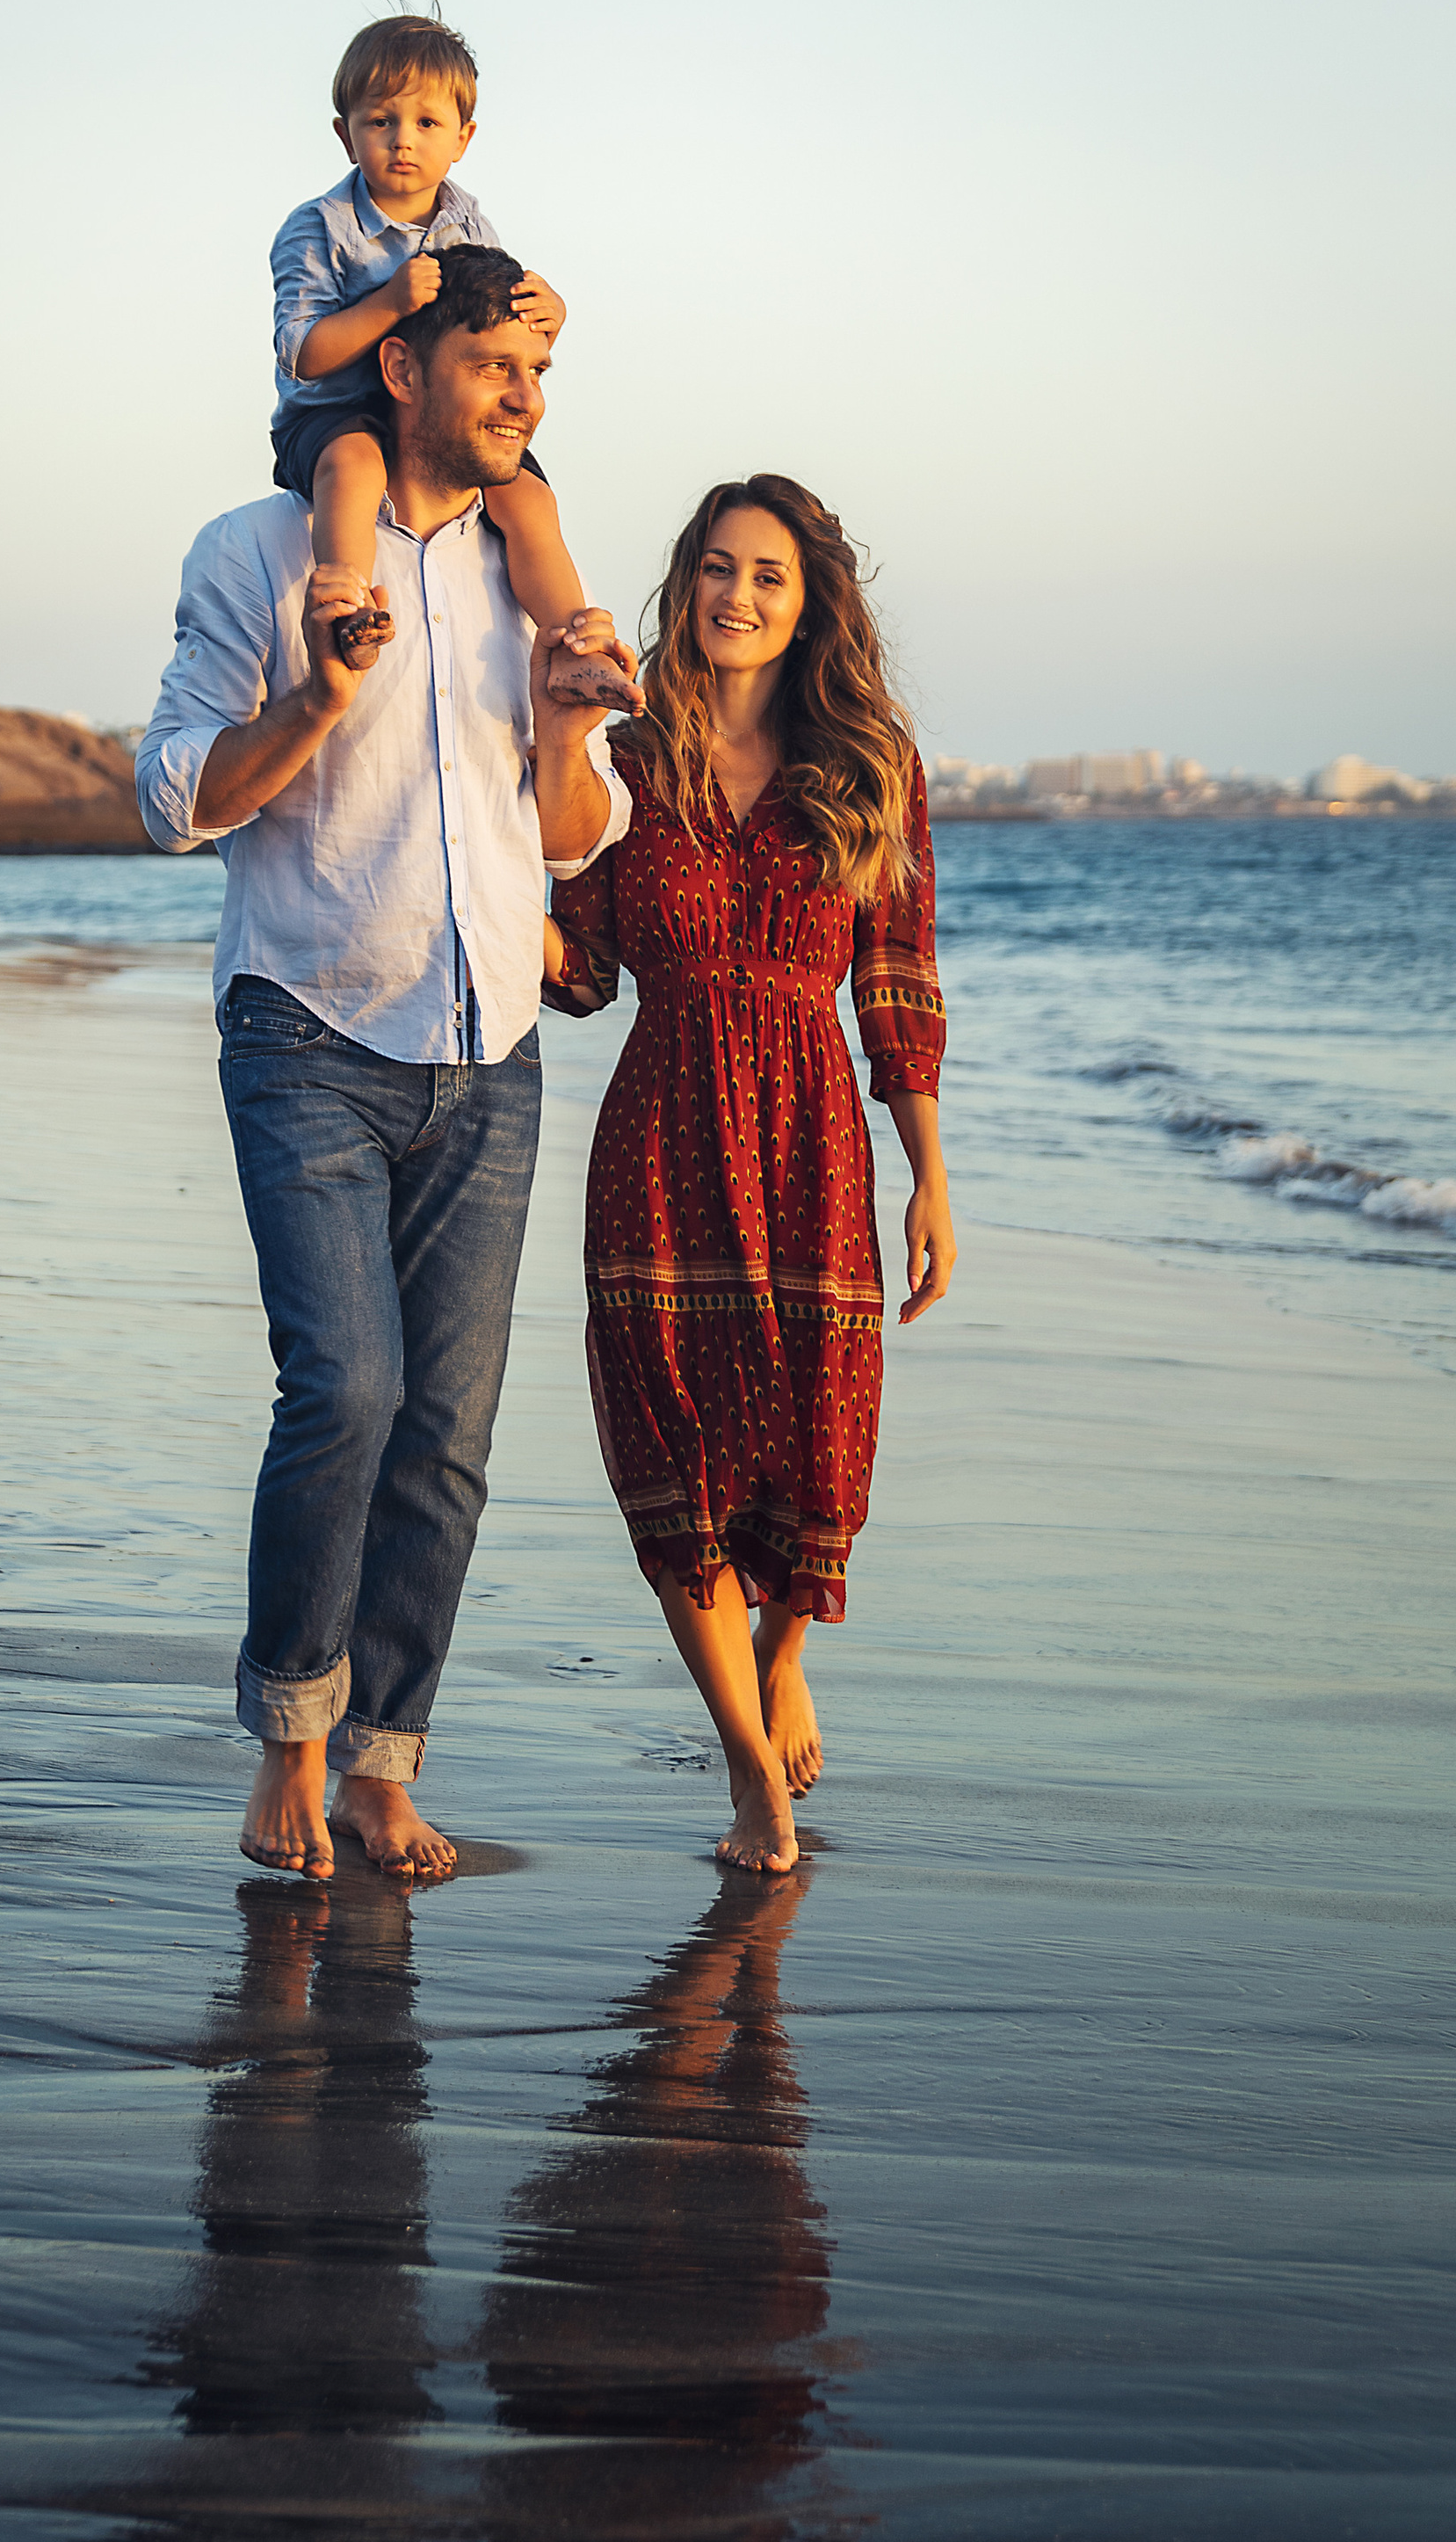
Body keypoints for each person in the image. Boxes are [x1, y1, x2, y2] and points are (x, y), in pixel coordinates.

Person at [139, 257, 637, 1885]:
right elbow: (172, 798)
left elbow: (567, 840)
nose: (524, 400)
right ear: (403, 366)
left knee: (446, 1432)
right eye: (495, 366)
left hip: (487, 1049)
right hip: (306, 1028)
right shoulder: (261, 551)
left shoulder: (531, 575)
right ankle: (288, 1738)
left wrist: (567, 731)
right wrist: (315, 694)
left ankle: (383, 1768)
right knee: (343, 1393)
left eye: (538, 375)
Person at [544, 476, 954, 1876]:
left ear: (809, 601)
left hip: (813, 1144)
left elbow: (898, 979)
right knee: (673, 1456)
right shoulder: (631, 757)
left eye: (768, 575)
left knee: (818, 1456)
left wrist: (930, 1177)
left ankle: (786, 1655)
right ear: (687, 582)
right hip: (659, 1138)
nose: (737, 596)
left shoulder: (868, 763)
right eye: (717, 569)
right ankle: (748, 1777)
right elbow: (582, 968)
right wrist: (464, 900)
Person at [269, 12, 637, 704]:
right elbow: (303, 355)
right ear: (346, 134)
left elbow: (495, 329)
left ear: (463, 138)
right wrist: (384, 306)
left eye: (427, 123)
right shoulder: (317, 228)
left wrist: (550, 318)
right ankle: (349, 611)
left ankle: (572, 644)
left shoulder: (467, 223)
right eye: (380, 121)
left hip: (440, 415)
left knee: (525, 496)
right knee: (351, 467)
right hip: (337, 412)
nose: (403, 140)